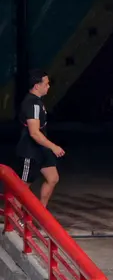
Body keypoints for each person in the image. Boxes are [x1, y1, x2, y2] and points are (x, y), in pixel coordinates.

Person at [16, 69, 64, 206]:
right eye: (46, 84)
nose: (48, 86)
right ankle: (13, 222)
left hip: (42, 149)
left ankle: (39, 213)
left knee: (53, 178)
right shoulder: (32, 104)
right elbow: (34, 133)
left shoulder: (38, 102)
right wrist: (54, 147)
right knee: (23, 187)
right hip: (29, 151)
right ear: (37, 86)